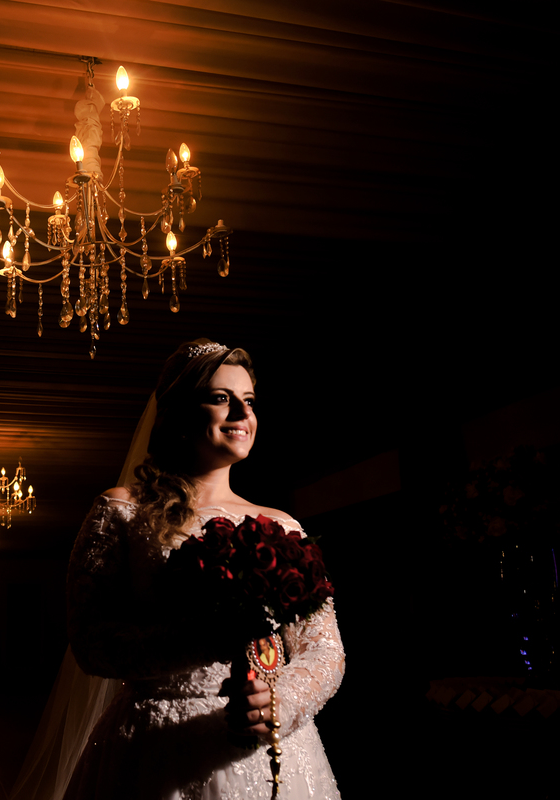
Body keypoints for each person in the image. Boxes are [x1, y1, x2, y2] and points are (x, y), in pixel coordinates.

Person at [58, 340, 346, 800]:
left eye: (249, 402)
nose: (241, 413)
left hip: (267, 745)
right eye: (220, 398)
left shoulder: (282, 526)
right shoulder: (122, 511)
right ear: (179, 413)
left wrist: (279, 703)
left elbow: (325, 650)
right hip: (153, 747)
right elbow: (92, 642)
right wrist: (207, 637)